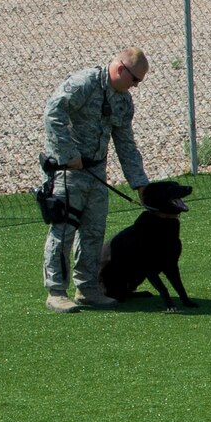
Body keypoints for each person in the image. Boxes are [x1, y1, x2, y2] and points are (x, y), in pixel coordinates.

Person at [42, 49, 151, 313]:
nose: (135, 87)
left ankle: (87, 288)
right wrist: (68, 154)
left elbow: (126, 144)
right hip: (67, 172)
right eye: (135, 80)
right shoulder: (83, 84)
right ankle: (56, 291)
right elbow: (52, 114)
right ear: (120, 69)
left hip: (96, 174)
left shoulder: (123, 101)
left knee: (93, 232)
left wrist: (140, 183)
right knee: (64, 230)